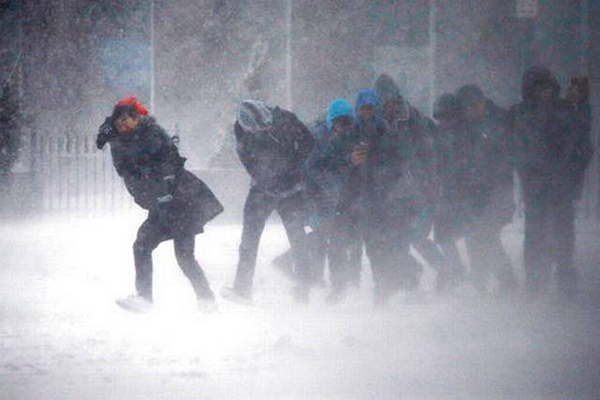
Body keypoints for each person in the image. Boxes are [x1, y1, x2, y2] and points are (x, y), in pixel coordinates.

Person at [96, 96, 223, 312]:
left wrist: (165, 191)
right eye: (118, 124)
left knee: (159, 250)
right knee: (170, 253)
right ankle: (203, 300)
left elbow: (167, 163)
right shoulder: (124, 141)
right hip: (164, 203)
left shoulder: (151, 134)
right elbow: (125, 169)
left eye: (126, 120)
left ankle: (152, 299)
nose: (122, 126)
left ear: (137, 118)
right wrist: (110, 134)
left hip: (179, 202)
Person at [509, 67, 593, 300]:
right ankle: (537, 281)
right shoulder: (524, 113)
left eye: (546, 86)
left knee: (561, 232)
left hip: (556, 184)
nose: (544, 92)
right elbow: (511, 143)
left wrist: (583, 104)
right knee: (538, 232)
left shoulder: (563, 109)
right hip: (541, 184)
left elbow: (581, 138)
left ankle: (562, 279)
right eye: (539, 87)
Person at [221, 100, 315, 303]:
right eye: (257, 131)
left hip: (291, 189)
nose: (263, 132)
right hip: (261, 190)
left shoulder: (286, 119)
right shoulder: (241, 129)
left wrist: (292, 168)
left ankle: (303, 290)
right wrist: (263, 178)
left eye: (266, 127)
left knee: (297, 238)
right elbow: (246, 158)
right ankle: (242, 289)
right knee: (249, 241)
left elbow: (309, 142)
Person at [374, 73, 446, 291]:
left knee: (411, 235)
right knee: (397, 238)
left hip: (414, 188)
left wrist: (427, 184)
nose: (385, 101)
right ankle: (410, 280)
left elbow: (427, 154)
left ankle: (441, 270)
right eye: (381, 97)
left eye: (388, 96)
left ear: (396, 95)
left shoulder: (413, 118)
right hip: (389, 189)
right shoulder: (377, 120)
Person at [353, 89, 422, 305]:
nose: (366, 113)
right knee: (373, 246)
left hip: (389, 197)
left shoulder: (387, 131)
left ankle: (403, 281)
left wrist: (376, 160)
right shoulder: (351, 131)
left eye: (370, 108)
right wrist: (352, 159)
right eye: (363, 109)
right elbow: (341, 159)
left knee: (394, 243)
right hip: (366, 198)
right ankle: (382, 286)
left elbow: (400, 161)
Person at [456, 85, 518, 297]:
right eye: (467, 108)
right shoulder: (468, 124)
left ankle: (504, 281)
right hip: (476, 192)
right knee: (474, 235)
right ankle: (481, 281)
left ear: (482, 102)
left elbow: (504, 158)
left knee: (485, 235)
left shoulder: (499, 122)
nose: (470, 111)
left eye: (473, 106)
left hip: (497, 191)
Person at [303, 98, 364, 303]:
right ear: (331, 122)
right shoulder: (323, 141)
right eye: (339, 122)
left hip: (354, 198)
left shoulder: (359, 137)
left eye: (347, 121)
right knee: (336, 245)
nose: (343, 126)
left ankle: (352, 282)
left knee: (355, 241)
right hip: (333, 202)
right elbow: (312, 169)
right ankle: (339, 287)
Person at [432, 93, 468, 291]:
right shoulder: (437, 135)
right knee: (444, 236)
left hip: (465, 192)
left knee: (476, 235)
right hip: (445, 191)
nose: (445, 121)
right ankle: (455, 271)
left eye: (449, 117)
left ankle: (469, 274)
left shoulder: (466, 134)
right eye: (441, 117)